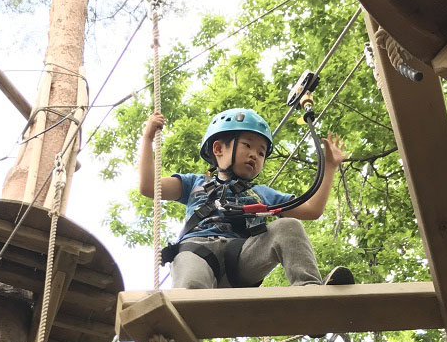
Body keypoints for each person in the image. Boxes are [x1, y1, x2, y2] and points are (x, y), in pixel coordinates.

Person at [137, 107, 352, 289]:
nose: (254, 155)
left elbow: (312, 210)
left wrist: (330, 167)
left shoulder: (261, 193)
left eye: (261, 153)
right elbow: (149, 186)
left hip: (241, 256)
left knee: (288, 226)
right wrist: (148, 138)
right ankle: (184, 320)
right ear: (219, 149)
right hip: (196, 250)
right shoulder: (193, 183)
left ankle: (309, 291)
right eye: (248, 146)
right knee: (191, 284)